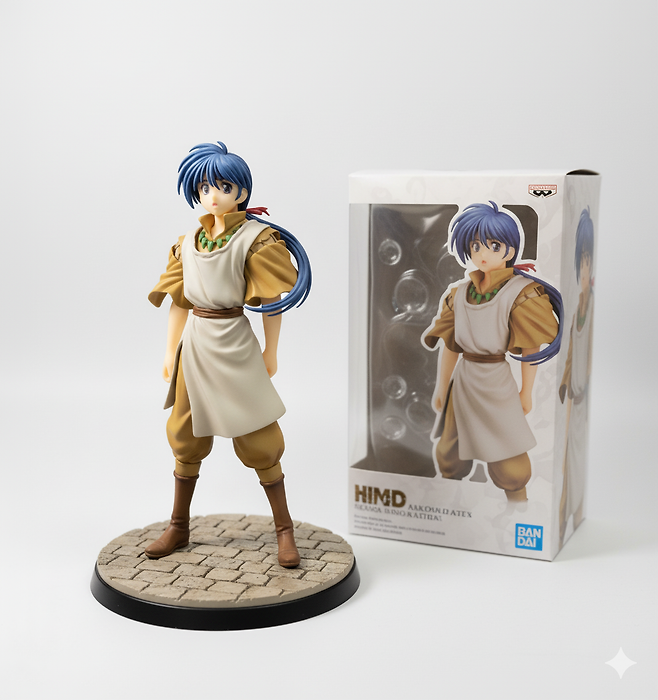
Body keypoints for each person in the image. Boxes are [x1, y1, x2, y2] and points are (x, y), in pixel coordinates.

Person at [145, 141, 311, 567]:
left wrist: (272, 350)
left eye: (223, 186)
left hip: (234, 344)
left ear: (242, 191)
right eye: (204, 188)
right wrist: (170, 350)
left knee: (259, 437)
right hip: (195, 346)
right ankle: (178, 525)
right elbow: (180, 301)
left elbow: (271, 300)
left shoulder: (256, 239)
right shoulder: (188, 242)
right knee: (185, 435)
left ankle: (284, 529)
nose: (213, 195)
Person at [421, 201, 562, 502]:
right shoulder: (459, 293)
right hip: (463, 382)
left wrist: (526, 392)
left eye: (493, 245)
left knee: (509, 462)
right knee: (450, 453)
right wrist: (442, 387)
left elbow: (531, 346)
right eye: (475, 246)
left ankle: (518, 509)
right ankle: (450, 506)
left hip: (496, 382)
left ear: (509, 250)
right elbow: (451, 345)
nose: (482, 253)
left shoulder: (521, 293)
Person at [558, 207, 594, 543]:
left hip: (582, 397)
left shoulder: (589, 305)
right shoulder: (576, 306)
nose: (585, 270)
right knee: (567, 463)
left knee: (576, 458)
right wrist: (564, 382)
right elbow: (569, 352)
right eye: (581, 262)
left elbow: (586, 351)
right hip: (571, 395)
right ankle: (559, 525)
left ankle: (574, 519)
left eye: (588, 261)